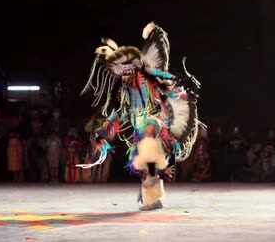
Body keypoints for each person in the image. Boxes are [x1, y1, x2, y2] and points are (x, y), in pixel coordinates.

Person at [77, 22, 203, 210]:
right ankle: (152, 197)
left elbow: (160, 74)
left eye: (127, 72)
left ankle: (151, 181)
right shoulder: (126, 91)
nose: (124, 77)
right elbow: (122, 111)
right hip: (139, 123)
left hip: (156, 118)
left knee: (148, 137)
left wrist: (173, 82)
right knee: (143, 163)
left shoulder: (146, 77)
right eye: (121, 74)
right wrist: (108, 123)